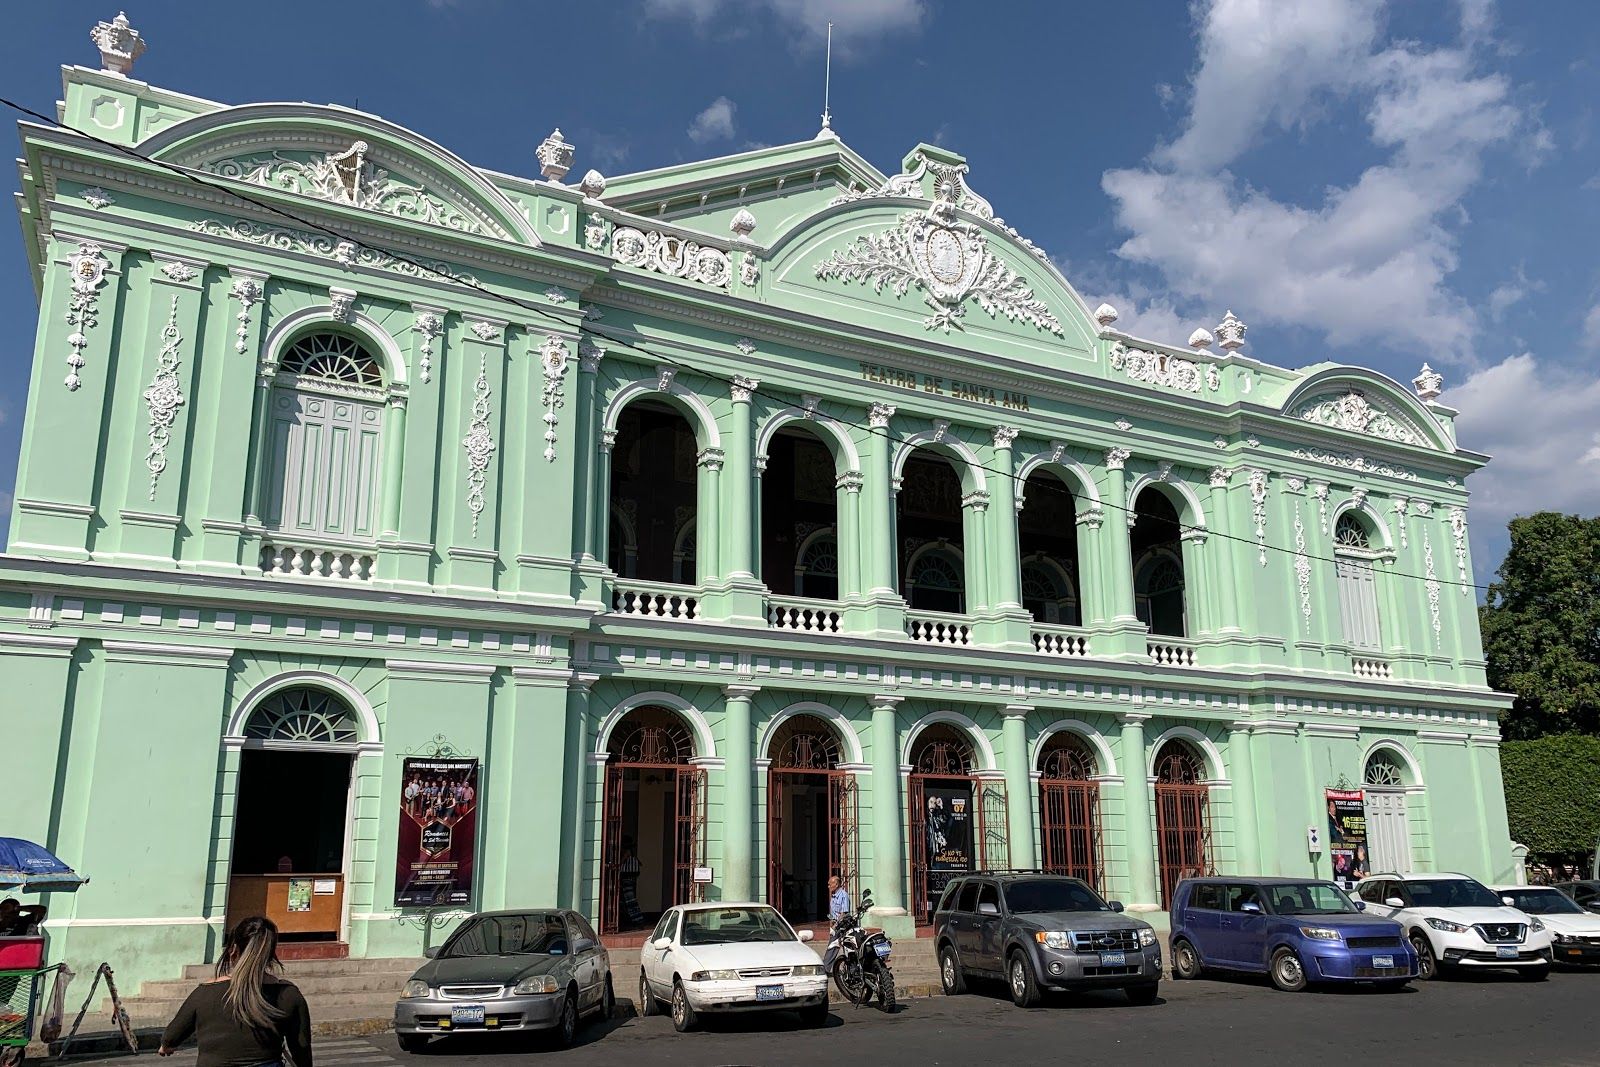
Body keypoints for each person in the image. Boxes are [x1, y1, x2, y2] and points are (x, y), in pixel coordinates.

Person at [159, 916, 313, 1067]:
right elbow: (302, 1050)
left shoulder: (204, 993)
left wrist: (166, 1046)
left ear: (233, 950)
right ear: (271, 954)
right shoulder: (288, 995)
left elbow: (171, 1037)